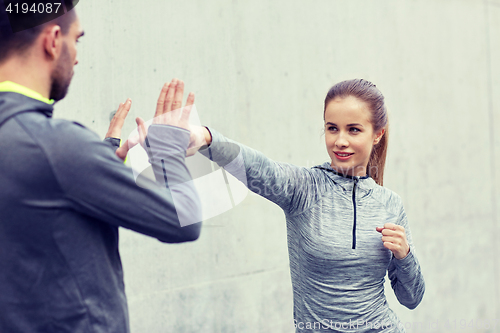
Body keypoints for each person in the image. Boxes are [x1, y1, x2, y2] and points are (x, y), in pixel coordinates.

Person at [0, 5, 202, 333]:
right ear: (53, 40)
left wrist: (99, 161)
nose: (77, 57)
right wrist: (167, 148)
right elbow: (184, 219)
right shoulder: (57, 146)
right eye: (76, 39)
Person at [196, 79, 425, 332]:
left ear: (378, 134)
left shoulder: (390, 204)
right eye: (332, 128)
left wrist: (404, 256)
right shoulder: (303, 189)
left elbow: (411, 298)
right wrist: (206, 139)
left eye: (354, 130)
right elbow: (259, 168)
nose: (340, 140)